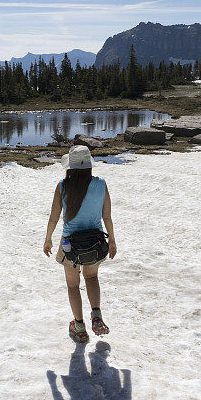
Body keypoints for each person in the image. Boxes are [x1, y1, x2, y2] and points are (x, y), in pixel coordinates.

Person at [44, 145, 117, 343]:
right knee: (91, 278)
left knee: (73, 285)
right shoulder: (101, 184)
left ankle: (79, 327)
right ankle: (97, 316)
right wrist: (112, 241)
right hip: (95, 242)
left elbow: (53, 218)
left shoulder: (62, 186)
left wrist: (48, 239)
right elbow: (107, 216)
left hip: (70, 245)